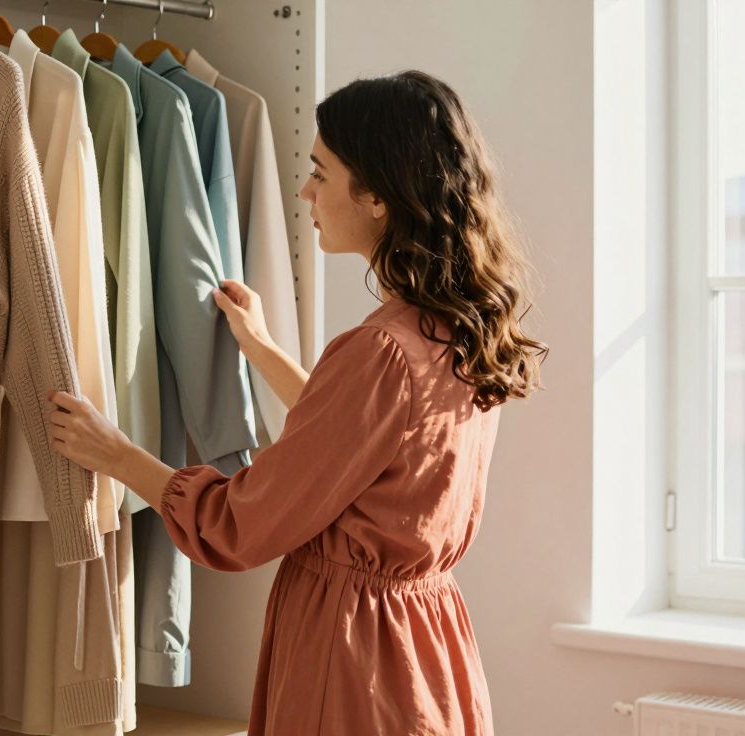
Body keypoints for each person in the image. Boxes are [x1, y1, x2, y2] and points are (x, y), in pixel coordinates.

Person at [45, 70, 548, 735]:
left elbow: (240, 524)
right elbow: (358, 444)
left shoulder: (379, 352)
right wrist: (257, 346)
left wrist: (115, 453)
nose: (305, 191)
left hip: (352, 659)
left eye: (320, 173)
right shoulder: (452, 329)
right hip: (425, 645)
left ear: (377, 196)